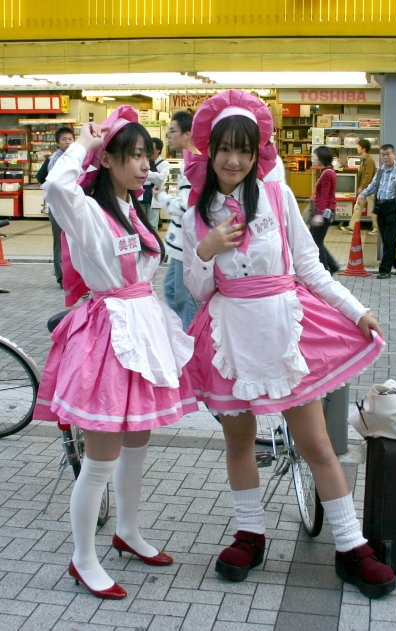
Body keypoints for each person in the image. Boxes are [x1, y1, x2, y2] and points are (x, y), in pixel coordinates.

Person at [182, 90, 395, 599]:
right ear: (210, 151)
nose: (234, 160)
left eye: (245, 150)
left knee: (317, 443)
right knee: (238, 443)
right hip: (230, 332)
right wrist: (207, 250)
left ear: (258, 155)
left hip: (283, 328)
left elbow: (309, 268)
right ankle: (250, 533)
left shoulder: (276, 198)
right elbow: (197, 289)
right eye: (225, 149)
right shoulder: (197, 213)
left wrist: (355, 310)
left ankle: (351, 546)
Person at [33, 106, 198, 600]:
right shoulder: (85, 209)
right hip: (107, 338)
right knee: (101, 457)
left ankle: (128, 532)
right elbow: (57, 187)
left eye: (148, 154)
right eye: (133, 156)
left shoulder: (131, 208)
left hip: (143, 332)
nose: (145, 165)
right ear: (107, 160)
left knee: (137, 444)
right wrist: (83, 143)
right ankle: (84, 558)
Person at [154, 111, 202, 331]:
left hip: (184, 245)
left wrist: (162, 197)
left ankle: (189, 341)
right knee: (174, 292)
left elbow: (185, 207)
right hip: (179, 245)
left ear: (187, 134)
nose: (168, 136)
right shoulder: (193, 161)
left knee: (181, 297)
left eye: (172, 131)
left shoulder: (190, 164)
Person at [357, 144, 396, 279]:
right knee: (387, 240)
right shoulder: (381, 170)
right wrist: (363, 194)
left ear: (394, 154)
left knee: (389, 241)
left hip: (394, 208)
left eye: (388, 154)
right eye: (383, 155)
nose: (385, 157)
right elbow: (373, 186)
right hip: (380, 208)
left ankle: (385, 270)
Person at [37, 126, 75, 288]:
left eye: (70, 139)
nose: (67, 142)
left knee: (72, 242)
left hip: (70, 206)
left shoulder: (72, 157)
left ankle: (71, 275)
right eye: (64, 140)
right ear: (58, 143)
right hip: (58, 207)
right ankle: (62, 277)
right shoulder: (56, 159)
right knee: (60, 243)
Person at [309, 145, 340, 274]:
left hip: (324, 211)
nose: (313, 158)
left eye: (315, 155)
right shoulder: (329, 171)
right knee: (317, 240)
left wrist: (319, 214)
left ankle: (325, 269)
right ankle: (332, 265)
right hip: (327, 211)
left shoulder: (327, 174)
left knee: (316, 241)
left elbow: (324, 195)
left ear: (322, 157)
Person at [340, 139, 377, 235]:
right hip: (366, 189)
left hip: (369, 189)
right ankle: (352, 227)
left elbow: (368, 176)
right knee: (358, 207)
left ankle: (377, 228)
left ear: (364, 149)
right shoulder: (364, 159)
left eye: (358, 146)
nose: (357, 148)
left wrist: (362, 187)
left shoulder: (369, 161)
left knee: (372, 209)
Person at [141, 137, 170, 231]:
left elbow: (161, 180)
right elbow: (137, 176)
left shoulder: (164, 163)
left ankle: (153, 246)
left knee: (152, 227)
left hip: (153, 199)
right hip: (140, 198)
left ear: (158, 150)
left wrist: (146, 173)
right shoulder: (143, 160)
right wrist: (155, 175)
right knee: (140, 226)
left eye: (151, 147)